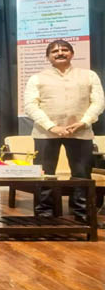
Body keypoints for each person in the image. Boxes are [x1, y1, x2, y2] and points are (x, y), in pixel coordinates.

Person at [24, 39, 104, 222]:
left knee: (81, 175)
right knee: (45, 175)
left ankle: (82, 215)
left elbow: (98, 102)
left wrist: (84, 122)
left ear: (72, 54)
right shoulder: (37, 78)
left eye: (65, 50)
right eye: (55, 51)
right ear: (48, 57)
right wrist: (52, 126)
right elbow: (30, 106)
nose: (60, 53)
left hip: (81, 131)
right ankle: (44, 215)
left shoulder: (89, 75)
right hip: (46, 133)